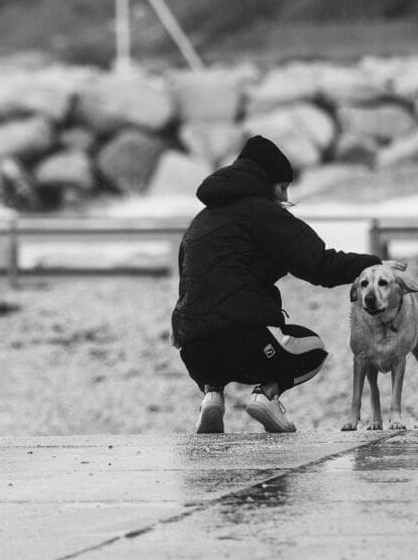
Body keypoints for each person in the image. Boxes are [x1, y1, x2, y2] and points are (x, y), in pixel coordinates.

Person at [171, 135, 403, 434]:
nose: (285, 197)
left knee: (213, 338)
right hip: (249, 344)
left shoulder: (200, 222)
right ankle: (266, 396)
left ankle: (211, 396)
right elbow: (319, 265)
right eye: (283, 187)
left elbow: (188, 282)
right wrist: (372, 265)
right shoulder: (263, 212)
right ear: (269, 182)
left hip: (193, 351)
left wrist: (181, 330)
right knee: (314, 350)